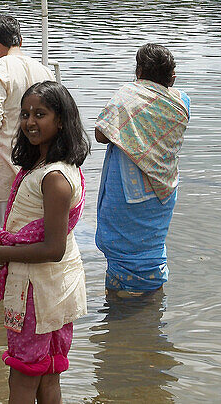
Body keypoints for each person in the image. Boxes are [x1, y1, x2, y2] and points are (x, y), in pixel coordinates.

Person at [0, 81, 89, 403]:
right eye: (26, 114)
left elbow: (52, 248)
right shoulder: (55, 168)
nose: (30, 122)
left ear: (61, 121)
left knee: (23, 375)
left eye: (40, 114)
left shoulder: (53, 178)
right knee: (47, 372)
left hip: (36, 290)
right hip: (57, 289)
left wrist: (1, 252)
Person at [94, 44, 190, 296]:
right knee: (152, 249)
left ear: (137, 72)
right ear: (172, 78)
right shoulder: (182, 102)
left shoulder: (127, 95)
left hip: (127, 193)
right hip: (164, 191)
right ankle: (150, 309)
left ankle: (118, 318)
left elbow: (101, 135)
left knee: (120, 256)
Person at [0, 16, 55, 237]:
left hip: (3, 157)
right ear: (20, 39)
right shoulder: (44, 71)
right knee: (28, 226)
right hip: (37, 159)